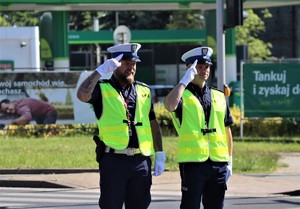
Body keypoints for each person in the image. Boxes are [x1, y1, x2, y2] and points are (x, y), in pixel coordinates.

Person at [77, 43, 165, 209]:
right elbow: (82, 95)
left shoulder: (143, 90)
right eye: (126, 63)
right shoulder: (101, 89)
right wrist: (100, 71)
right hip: (114, 161)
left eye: (133, 64)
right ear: (115, 64)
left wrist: (159, 152)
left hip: (141, 161)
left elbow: (152, 122)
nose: (131, 68)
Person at [164, 46, 234, 209]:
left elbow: (227, 130)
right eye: (199, 67)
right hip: (193, 163)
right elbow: (169, 105)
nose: (204, 70)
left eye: (207, 66)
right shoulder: (182, 94)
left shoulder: (218, 95)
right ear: (189, 68)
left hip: (218, 163)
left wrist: (230, 161)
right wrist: (184, 81)